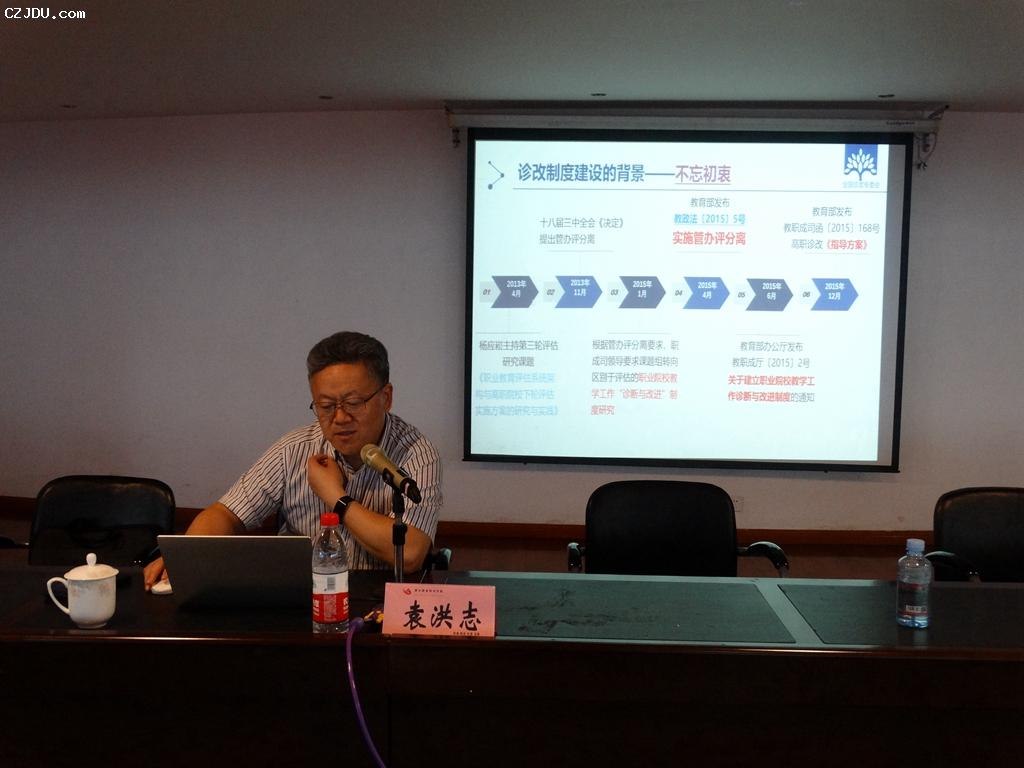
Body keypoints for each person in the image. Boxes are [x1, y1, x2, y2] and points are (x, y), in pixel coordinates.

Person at [143, 331, 442, 590]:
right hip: (302, 601)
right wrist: (184, 556)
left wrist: (336, 497)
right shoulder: (295, 450)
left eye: (353, 403)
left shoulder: (416, 454)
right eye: (326, 405)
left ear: (386, 397)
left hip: (380, 606)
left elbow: (411, 553)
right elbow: (226, 513)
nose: (340, 418)